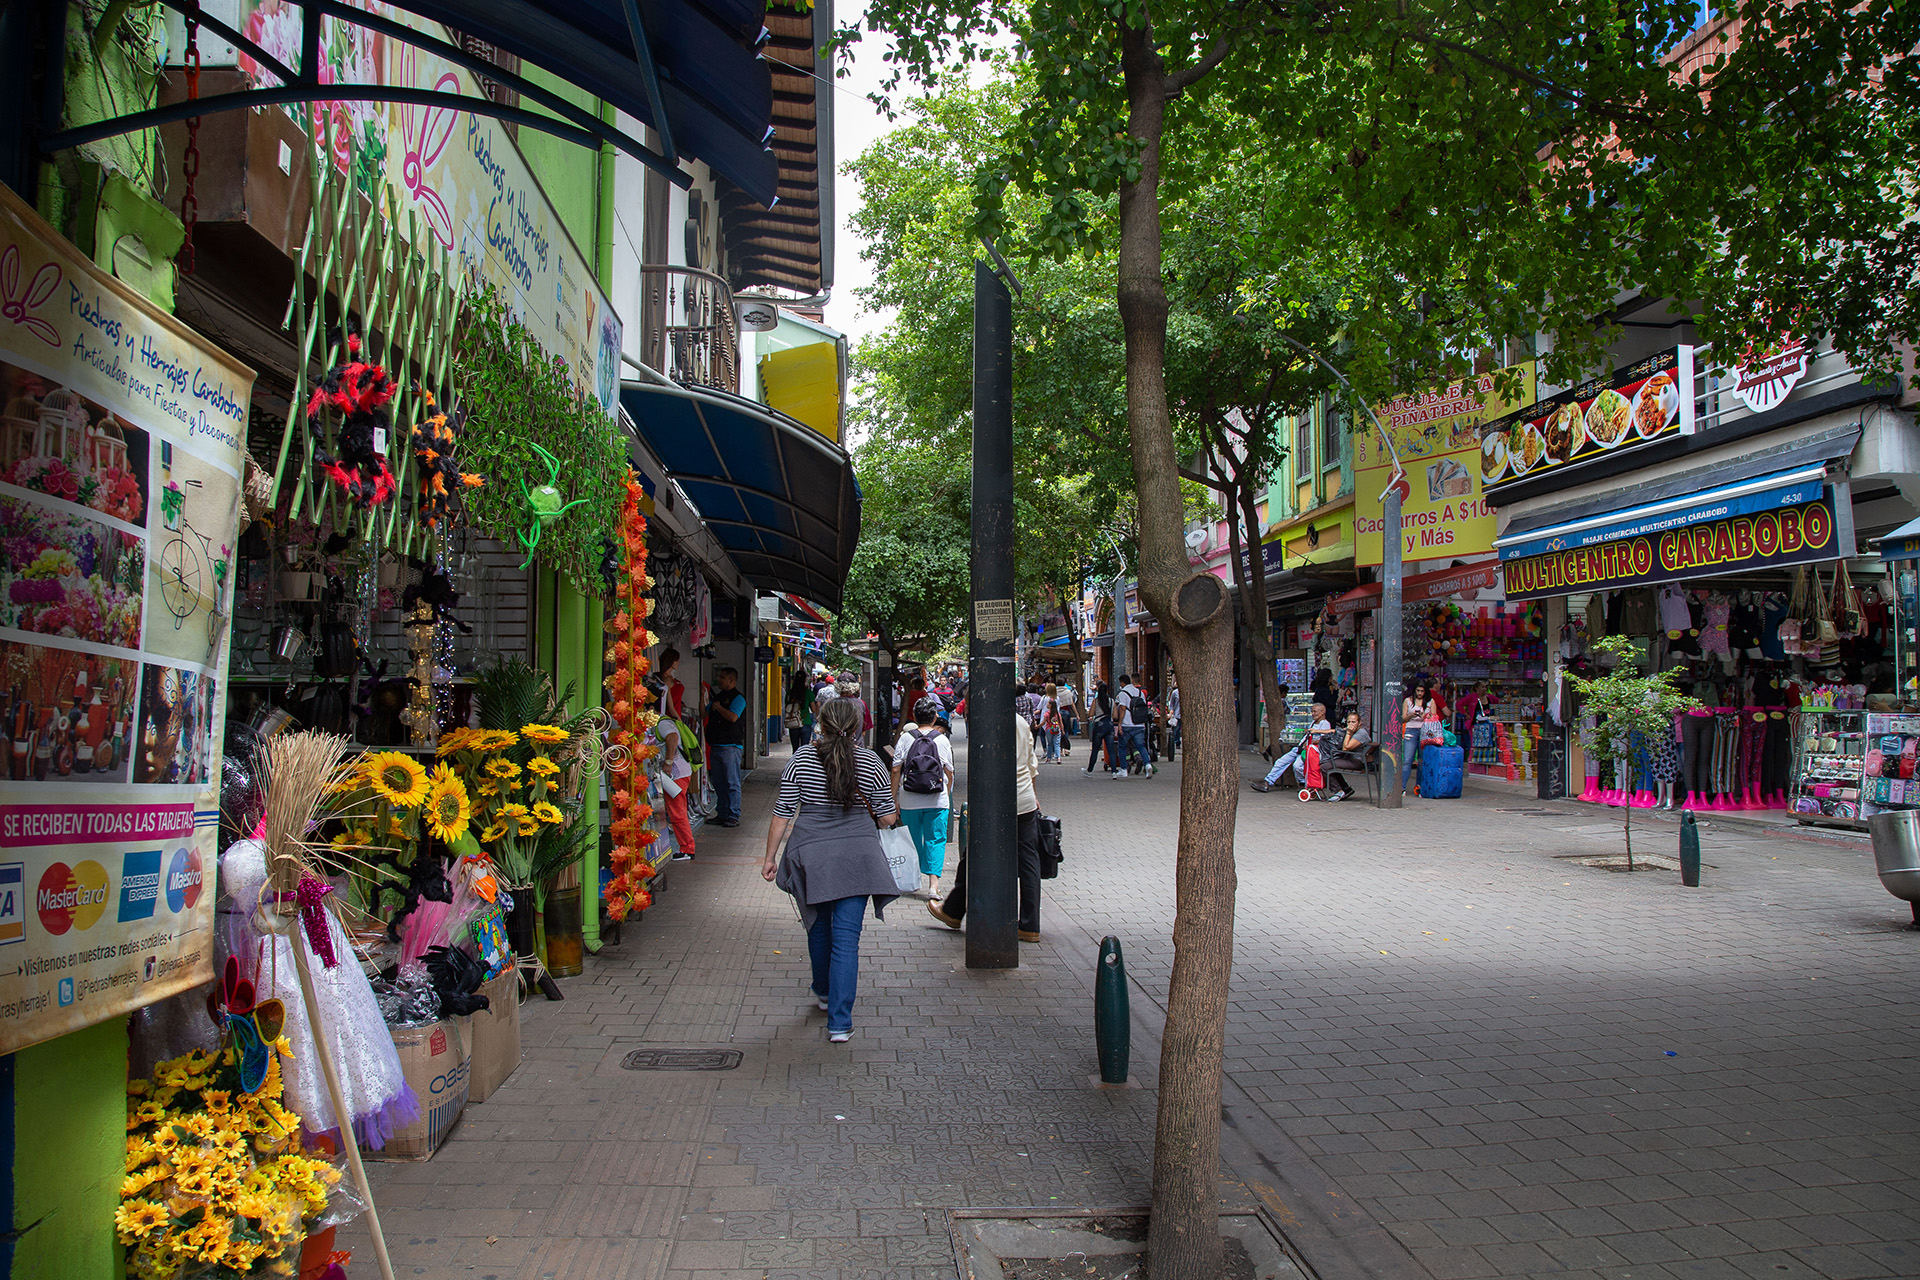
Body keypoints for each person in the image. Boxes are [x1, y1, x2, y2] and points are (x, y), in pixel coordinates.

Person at [762, 697, 900, 1043]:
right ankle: (840, 1023)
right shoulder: (871, 761)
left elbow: (782, 812)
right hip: (858, 857)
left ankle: (823, 991)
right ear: (856, 727)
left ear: (820, 725)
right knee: (847, 939)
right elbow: (887, 818)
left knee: (819, 926)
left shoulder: (801, 759)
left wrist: (770, 857)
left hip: (812, 855)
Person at [929, 701, 1044, 942]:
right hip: (1024, 799)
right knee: (1029, 863)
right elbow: (1031, 764)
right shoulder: (1021, 722)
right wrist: (1033, 796)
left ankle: (953, 911)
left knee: (974, 855)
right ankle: (1030, 925)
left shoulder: (988, 722)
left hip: (995, 802)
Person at [891, 697, 954, 898]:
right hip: (937, 799)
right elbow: (949, 771)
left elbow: (895, 770)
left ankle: (913, 879)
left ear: (914, 716)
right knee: (936, 840)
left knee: (912, 839)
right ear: (935, 717)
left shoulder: (905, 739)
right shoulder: (942, 740)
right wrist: (947, 792)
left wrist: (893, 798)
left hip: (909, 799)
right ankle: (933, 886)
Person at [1252, 701, 1332, 792]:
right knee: (1281, 762)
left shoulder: (1325, 724)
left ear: (1322, 712)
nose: (1313, 714)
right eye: (1312, 711)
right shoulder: (1313, 723)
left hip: (1310, 750)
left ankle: (1303, 783)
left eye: (1315, 712)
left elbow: (1324, 739)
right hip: (1300, 748)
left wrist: (1311, 743)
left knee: (1297, 766)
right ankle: (1267, 782)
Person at [705, 666, 748, 827]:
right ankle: (722, 813)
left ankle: (733, 814)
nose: (719, 680)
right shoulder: (718, 697)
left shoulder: (738, 698)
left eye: (722, 678)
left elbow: (733, 717)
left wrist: (718, 708)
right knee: (719, 783)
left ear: (732, 681)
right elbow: (704, 713)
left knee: (732, 782)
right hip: (716, 744)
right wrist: (703, 699)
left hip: (731, 746)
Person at [658, 721, 696, 859]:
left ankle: (687, 848)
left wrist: (668, 762)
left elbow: (672, 737)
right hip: (678, 773)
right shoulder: (664, 722)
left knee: (677, 812)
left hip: (676, 775)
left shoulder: (661, 723)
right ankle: (687, 847)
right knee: (678, 811)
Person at [1112, 673, 1154, 778]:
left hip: (1127, 724)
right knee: (1141, 746)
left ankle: (1124, 769)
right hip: (1139, 724)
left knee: (1122, 746)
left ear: (1122, 683)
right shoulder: (1140, 693)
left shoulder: (1123, 693)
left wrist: (1120, 724)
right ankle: (1147, 764)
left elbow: (1122, 709)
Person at [1323, 711, 1372, 801]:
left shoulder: (1361, 734)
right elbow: (1335, 731)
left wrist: (1348, 733)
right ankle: (1346, 789)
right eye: (1349, 722)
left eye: (1353, 722)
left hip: (1356, 761)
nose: (1351, 724)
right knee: (1331, 763)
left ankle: (1338, 791)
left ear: (1359, 723)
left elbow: (1346, 748)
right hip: (1351, 758)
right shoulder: (1354, 731)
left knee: (1325, 767)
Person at [1400, 680, 1433, 796]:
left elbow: (1434, 718)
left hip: (1425, 731)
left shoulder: (1430, 701)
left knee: (1422, 761)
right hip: (1411, 729)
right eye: (1418, 691)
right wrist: (1410, 715)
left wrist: (1425, 716)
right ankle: (1402, 787)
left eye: (1422, 691)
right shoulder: (1408, 701)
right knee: (1407, 760)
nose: (1420, 693)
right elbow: (1402, 718)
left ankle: (1419, 787)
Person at [1083, 679, 1116, 775]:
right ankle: (1114, 772)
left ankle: (1089, 770)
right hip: (1109, 726)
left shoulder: (1096, 701)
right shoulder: (1111, 701)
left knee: (1095, 750)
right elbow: (1115, 715)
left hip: (1099, 726)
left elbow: (1091, 713)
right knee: (1111, 750)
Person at [784, 675, 815, 751]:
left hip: (793, 722)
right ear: (804, 681)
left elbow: (786, 707)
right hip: (805, 722)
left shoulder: (790, 693)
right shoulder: (808, 692)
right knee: (805, 749)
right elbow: (813, 709)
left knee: (795, 749)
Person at [1040, 683, 1064, 761]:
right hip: (1056, 722)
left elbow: (1039, 707)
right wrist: (1062, 729)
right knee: (1056, 742)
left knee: (1045, 738)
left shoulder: (1044, 698)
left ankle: (1047, 753)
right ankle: (1057, 756)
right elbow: (1058, 708)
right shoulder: (1057, 698)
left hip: (1046, 722)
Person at [1055, 680, 1077, 752]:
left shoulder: (1055, 692)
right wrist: (1077, 714)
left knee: (1058, 730)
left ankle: (1060, 749)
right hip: (1066, 712)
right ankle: (1066, 748)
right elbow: (1072, 704)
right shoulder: (1068, 692)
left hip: (1057, 712)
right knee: (1066, 730)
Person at [1165, 674, 1182, 762]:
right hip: (1177, 713)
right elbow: (1171, 703)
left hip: (1182, 714)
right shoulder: (1175, 693)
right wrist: (1171, 711)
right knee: (1177, 729)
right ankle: (1177, 742)